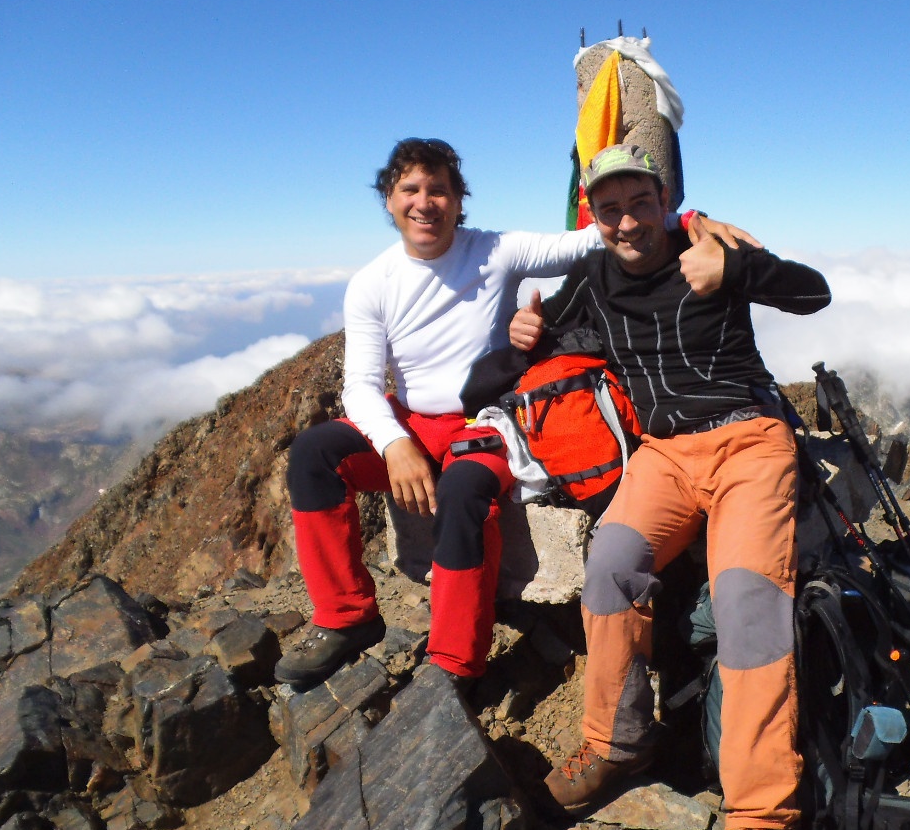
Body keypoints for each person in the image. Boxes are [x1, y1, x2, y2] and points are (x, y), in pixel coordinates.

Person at [276, 138, 753, 689]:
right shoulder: (372, 283)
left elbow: (591, 237)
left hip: (487, 421)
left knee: (465, 489)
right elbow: (359, 386)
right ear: (389, 199)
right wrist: (394, 445)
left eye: (439, 190)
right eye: (410, 189)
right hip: (407, 421)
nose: (424, 202)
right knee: (313, 455)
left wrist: (687, 218)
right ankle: (346, 617)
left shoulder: (494, 250)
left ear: (459, 200)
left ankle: (454, 662)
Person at [513, 143, 831, 830]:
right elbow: (537, 336)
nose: (627, 219)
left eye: (640, 201)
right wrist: (526, 327)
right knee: (611, 564)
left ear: (665, 199)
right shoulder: (591, 273)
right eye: (610, 206)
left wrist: (738, 272)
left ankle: (764, 814)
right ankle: (618, 744)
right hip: (664, 452)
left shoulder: (710, 247)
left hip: (749, 437)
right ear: (593, 212)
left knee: (746, 595)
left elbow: (813, 293)